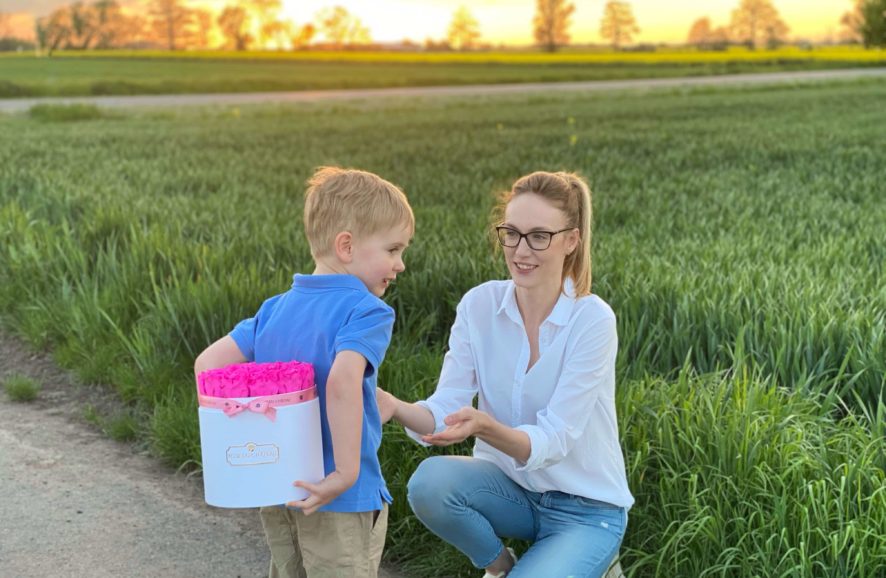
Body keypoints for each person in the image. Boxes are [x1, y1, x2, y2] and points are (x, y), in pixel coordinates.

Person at [378, 171, 632, 578]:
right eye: (511, 233)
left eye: (539, 236)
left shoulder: (592, 320)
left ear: (571, 240)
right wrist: (394, 407)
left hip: (587, 511)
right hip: (514, 494)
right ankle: (500, 566)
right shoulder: (479, 306)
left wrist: (485, 428)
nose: (520, 250)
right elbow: (448, 407)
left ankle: (597, 562)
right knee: (429, 484)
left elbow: (556, 439)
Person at [194, 166, 414, 578]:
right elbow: (343, 380)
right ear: (346, 246)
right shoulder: (367, 310)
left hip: (278, 488)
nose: (399, 264)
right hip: (339, 497)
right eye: (393, 249)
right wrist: (344, 474)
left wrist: (240, 443)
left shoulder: (274, 309)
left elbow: (208, 365)